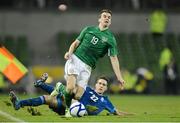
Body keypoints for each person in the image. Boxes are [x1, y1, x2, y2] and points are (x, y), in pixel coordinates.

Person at [63, 9, 125, 114]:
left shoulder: (110, 39)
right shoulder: (88, 29)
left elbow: (114, 59)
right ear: (99, 19)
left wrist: (119, 77)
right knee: (70, 87)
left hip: (88, 66)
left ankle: (61, 90)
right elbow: (75, 43)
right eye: (104, 16)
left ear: (110, 22)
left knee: (78, 95)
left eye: (109, 17)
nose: (107, 18)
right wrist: (69, 53)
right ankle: (67, 109)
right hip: (75, 59)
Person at [9, 73, 129, 116]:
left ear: (106, 88)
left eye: (104, 84)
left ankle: (41, 84)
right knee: (48, 98)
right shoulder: (86, 89)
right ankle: (19, 104)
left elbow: (116, 111)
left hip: (74, 110)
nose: (101, 85)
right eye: (100, 83)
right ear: (96, 84)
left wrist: (130, 115)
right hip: (67, 104)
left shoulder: (105, 101)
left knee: (60, 94)